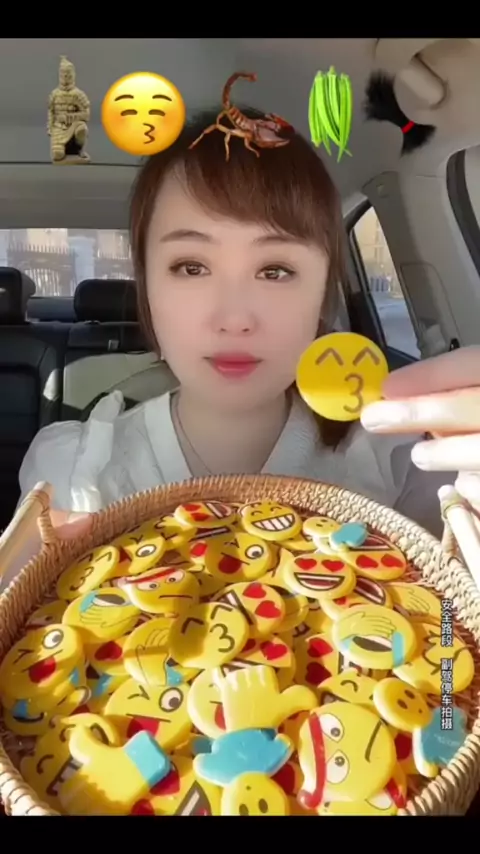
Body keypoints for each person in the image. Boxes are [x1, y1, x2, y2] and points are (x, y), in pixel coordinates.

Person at [13, 107, 480, 561]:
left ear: (323, 294)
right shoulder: (72, 472)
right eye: (191, 267)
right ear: (147, 286)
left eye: (275, 270)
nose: (234, 318)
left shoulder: (402, 460)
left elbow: (446, 607)